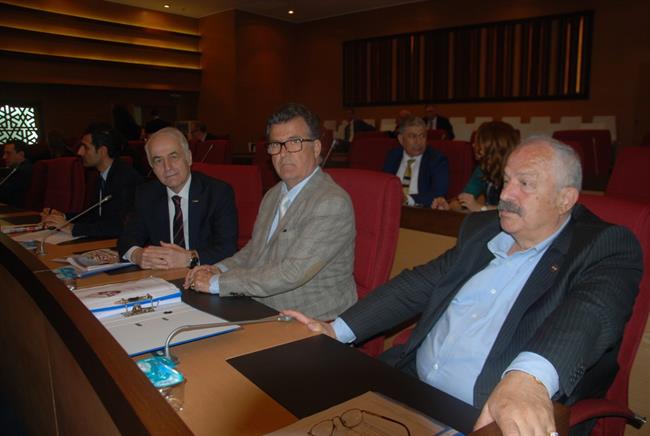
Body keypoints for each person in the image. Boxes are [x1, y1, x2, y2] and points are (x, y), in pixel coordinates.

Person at [286, 137, 643, 435]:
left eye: (525, 184)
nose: (506, 194)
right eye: (506, 180)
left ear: (565, 199)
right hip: (408, 385)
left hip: (481, 417)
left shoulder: (604, 245)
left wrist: (528, 380)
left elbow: (589, 314)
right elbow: (416, 285)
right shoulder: (482, 230)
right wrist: (335, 330)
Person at [184, 103, 357, 320]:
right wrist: (218, 269)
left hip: (312, 320)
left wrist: (217, 283)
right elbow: (254, 251)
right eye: (276, 145)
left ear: (316, 148)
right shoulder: (273, 194)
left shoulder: (331, 202)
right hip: (263, 308)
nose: (283, 153)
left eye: (294, 142)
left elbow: (292, 273)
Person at [118, 127, 238, 269]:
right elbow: (126, 240)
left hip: (204, 273)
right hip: (162, 276)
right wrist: (138, 255)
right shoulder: (146, 195)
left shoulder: (217, 192)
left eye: (173, 156)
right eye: (158, 160)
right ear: (152, 167)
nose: (167, 167)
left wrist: (190, 258)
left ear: (189, 158)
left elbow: (228, 248)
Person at [41, 124, 143, 238]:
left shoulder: (126, 179)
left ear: (102, 151)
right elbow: (95, 215)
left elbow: (120, 226)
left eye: (85, 147)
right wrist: (64, 217)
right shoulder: (101, 176)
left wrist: (72, 228)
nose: (79, 152)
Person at [433, 121, 519, 212]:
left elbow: (514, 207)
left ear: (492, 146)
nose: (473, 145)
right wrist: (447, 206)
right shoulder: (482, 169)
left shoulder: (516, 171)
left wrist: (481, 208)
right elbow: (464, 199)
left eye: (478, 142)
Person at [383, 116, 449, 207]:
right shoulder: (393, 156)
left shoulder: (437, 159)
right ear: (401, 139)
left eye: (422, 136)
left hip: (420, 210)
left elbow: (439, 194)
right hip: (391, 207)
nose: (418, 142)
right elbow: (383, 185)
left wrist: (407, 199)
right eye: (412, 136)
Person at [0, 139, 32, 208]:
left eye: (8, 153)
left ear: (21, 154)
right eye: (4, 153)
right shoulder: (19, 168)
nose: (4, 157)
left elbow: (6, 195)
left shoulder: (24, 171)